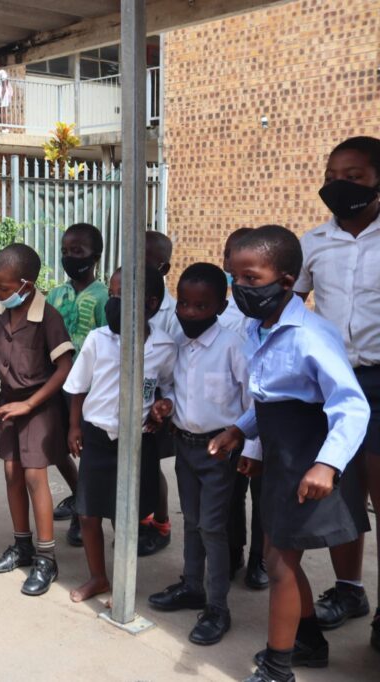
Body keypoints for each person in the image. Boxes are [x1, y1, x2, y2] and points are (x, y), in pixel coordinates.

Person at [208, 225, 370, 682]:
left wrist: (327, 463)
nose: (241, 289)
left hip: (308, 458)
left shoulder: (311, 336)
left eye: (252, 279)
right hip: (280, 458)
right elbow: (273, 399)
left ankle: (278, 668)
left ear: (286, 280)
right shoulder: (259, 329)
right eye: (234, 278)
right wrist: (239, 431)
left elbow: (352, 406)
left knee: (279, 562)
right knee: (279, 552)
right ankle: (310, 641)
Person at [294, 136, 380, 650]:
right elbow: (289, 301)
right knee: (341, 490)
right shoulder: (314, 242)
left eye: (354, 176)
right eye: (332, 175)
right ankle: (350, 590)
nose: (339, 185)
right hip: (331, 382)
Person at [147, 263, 257, 646]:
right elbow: (175, 389)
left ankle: (218, 608)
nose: (191, 313)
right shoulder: (178, 343)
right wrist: (165, 405)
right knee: (192, 521)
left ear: (220, 306)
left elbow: (252, 402)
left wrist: (249, 447)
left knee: (213, 527)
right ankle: (192, 586)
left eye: (202, 306)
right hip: (185, 447)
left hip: (218, 452)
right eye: (186, 305)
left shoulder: (233, 346)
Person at [63, 264, 176, 603]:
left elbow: (168, 386)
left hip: (137, 440)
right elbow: (77, 387)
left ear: (151, 304)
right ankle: (98, 577)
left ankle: (124, 582)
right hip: (98, 436)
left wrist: (164, 405)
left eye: (122, 296)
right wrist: (73, 426)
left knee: (127, 516)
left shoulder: (165, 347)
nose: (113, 302)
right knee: (87, 512)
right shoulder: (99, 340)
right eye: (112, 295)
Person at [0, 244, 74, 596]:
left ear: (26, 285)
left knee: (35, 477)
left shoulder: (48, 317)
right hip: (7, 405)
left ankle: (47, 558)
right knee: (11, 472)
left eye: (5, 289)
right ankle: (22, 545)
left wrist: (30, 403)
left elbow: (64, 368)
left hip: (39, 406)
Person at [47, 222, 105, 546]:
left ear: (95, 256)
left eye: (78, 252)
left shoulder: (101, 297)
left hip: (88, 389)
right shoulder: (56, 294)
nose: (70, 257)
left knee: (85, 450)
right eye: (66, 251)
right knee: (57, 447)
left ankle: (86, 513)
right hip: (57, 383)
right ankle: (77, 494)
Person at [222, 226, 269, 590]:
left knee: (262, 497)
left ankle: (259, 559)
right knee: (231, 495)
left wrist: (253, 443)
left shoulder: (265, 319)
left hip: (260, 428)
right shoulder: (219, 317)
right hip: (226, 428)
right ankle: (234, 552)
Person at [142, 230, 177, 557]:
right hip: (130, 401)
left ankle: (162, 523)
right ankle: (141, 519)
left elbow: (176, 365)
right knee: (133, 466)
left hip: (159, 404)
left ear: (163, 268)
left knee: (152, 466)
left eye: (147, 259)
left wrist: (164, 405)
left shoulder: (174, 313)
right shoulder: (124, 298)